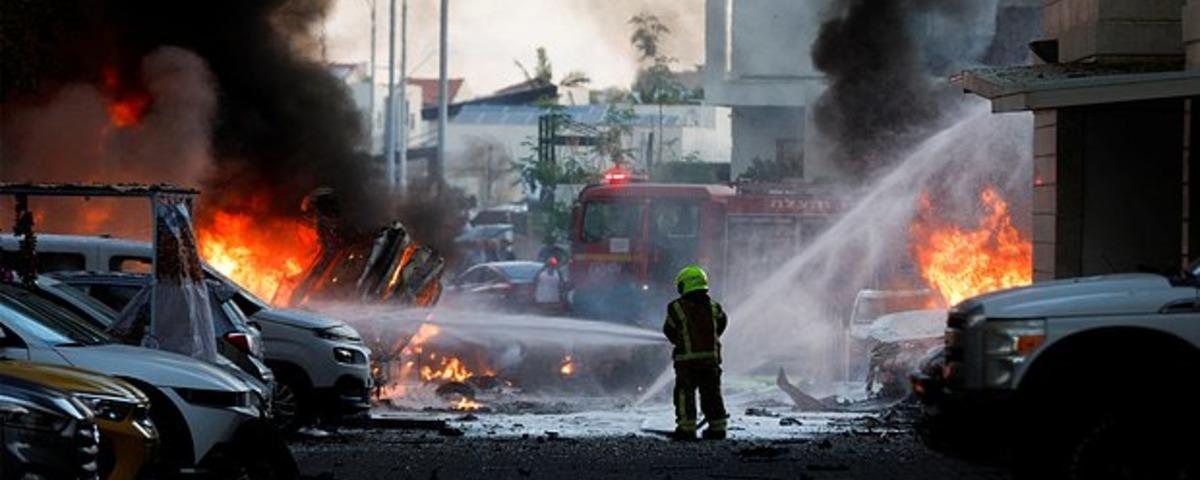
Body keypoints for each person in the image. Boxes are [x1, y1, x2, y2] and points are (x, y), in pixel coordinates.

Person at [663, 265, 729, 440]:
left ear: (684, 285)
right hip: (711, 360)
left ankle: (686, 429)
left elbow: (669, 330)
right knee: (712, 393)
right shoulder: (714, 307)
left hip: (687, 362)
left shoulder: (676, 307)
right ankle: (718, 428)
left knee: (685, 394)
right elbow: (722, 325)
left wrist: (681, 340)